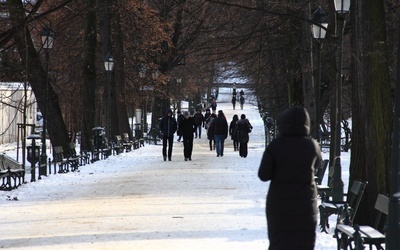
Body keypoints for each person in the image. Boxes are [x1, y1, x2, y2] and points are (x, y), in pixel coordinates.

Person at [258, 106, 322, 250]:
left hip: (279, 205)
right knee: (304, 243)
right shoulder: (312, 145)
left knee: (280, 243)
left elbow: (263, 175)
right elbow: (318, 163)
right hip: (305, 204)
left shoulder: (275, 146)